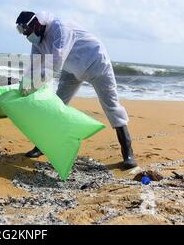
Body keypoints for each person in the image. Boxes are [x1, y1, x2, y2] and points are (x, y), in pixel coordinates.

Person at [16, 11, 137, 169]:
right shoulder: (36, 42)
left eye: (28, 31)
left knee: (111, 106)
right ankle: (41, 146)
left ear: (36, 23)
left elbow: (56, 62)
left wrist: (35, 85)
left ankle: (128, 152)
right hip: (71, 70)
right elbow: (34, 66)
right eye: (23, 33)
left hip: (95, 63)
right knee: (57, 106)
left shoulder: (60, 28)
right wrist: (25, 85)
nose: (27, 36)